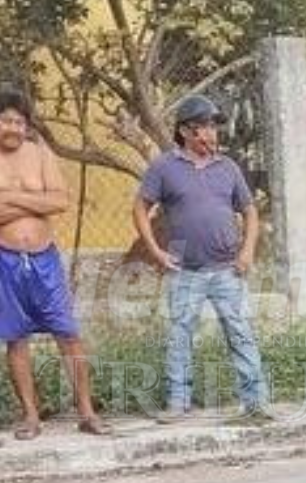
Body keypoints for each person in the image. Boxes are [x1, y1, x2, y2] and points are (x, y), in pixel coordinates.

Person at [132, 94, 270, 423]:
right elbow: (140, 207)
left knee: (240, 334)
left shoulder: (228, 168)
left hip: (228, 270)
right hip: (185, 271)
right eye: (204, 128)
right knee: (180, 336)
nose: (211, 135)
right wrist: (154, 250)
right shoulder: (164, 167)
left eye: (213, 128)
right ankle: (178, 403)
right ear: (186, 132)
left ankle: (255, 403)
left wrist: (248, 250)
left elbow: (250, 211)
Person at [0, 88, 112, 441]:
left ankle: (86, 412)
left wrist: (12, 198)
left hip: (44, 258)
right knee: (16, 339)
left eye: (19, 121)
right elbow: (44, 201)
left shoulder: (40, 154)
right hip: (4, 260)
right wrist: (37, 201)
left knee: (68, 334)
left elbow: (60, 201)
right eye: (6, 120)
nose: (14, 128)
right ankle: (31, 417)